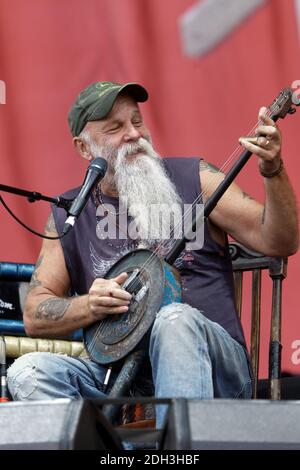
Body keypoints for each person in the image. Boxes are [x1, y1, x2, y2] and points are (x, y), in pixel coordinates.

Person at [7, 81, 299, 429]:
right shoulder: (70, 214)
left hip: (216, 373)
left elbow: (280, 241)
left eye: (137, 121)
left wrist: (272, 170)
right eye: (115, 128)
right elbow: (35, 315)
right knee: (28, 371)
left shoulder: (196, 179)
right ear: (84, 148)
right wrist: (89, 305)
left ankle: (179, 450)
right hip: (119, 382)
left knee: (174, 320)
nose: (133, 134)